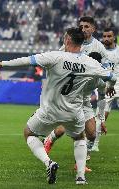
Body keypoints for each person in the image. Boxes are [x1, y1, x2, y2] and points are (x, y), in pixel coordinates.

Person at [0, 27, 116, 185]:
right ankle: (81, 177)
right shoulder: (90, 63)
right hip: (74, 112)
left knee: (29, 134)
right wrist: (110, 86)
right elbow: (111, 76)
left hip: (50, 110)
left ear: (67, 40)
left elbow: (27, 60)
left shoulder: (55, 56)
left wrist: (2, 64)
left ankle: (49, 163)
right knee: (79, 137)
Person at [44, 17, 109, 168]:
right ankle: (80, 163)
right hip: (70, 95)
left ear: (93, 29)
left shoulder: (99, 48)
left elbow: (104, 72)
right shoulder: (70, 43)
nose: (84, 29)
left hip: (85, 97)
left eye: (87, 26)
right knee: (72, 128)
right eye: (81, 26)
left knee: (91, 134)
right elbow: (56, 61)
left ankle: (51, 140)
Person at [93, 28, 119, 151]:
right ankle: (95, 145)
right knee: (100, 116)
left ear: (114, 37)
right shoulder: (100, 52)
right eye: (104, 36)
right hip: (106, 87)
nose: (106, 38)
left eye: (109, 36)